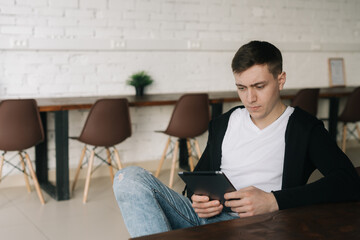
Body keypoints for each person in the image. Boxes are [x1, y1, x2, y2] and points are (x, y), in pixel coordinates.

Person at [113, 40, 360, 238]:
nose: (250, 98)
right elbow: (196, 182)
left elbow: (349, 182)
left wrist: (274, 201)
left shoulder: (304, 128)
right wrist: (197, 200)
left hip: (259, 225)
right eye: (241, 88)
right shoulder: (224, 123)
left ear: (280, 80)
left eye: (259, 86)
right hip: (207, 217)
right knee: (128, 178)